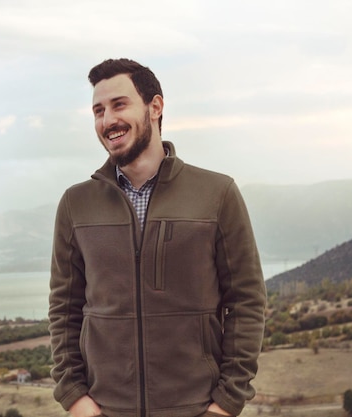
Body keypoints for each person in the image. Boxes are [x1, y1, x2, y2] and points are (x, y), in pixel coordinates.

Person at [48, 58, 267, 417]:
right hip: (105, 410)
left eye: (119, 104)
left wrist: (227, 403)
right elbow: (64, 308)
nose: (107, 121)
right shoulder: (76, 204)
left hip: (196, 409)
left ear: (155, 107)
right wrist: (73, 395)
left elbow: (246, 301)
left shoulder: (217, 193)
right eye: (98, 110)